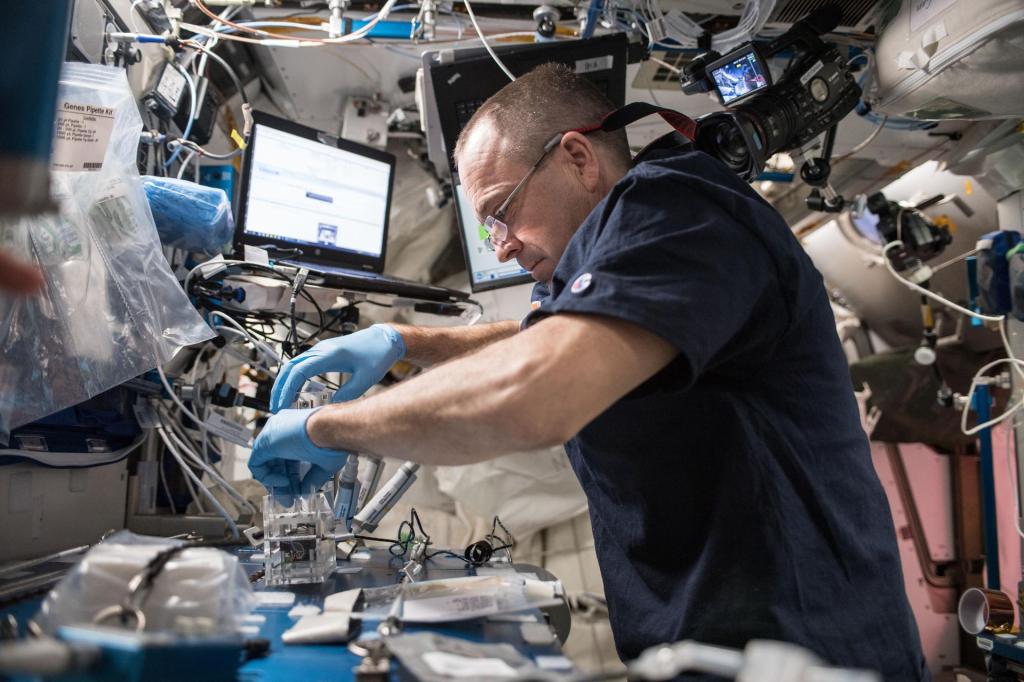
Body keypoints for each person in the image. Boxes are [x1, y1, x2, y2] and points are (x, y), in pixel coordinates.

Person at [249, 63, 928, 679]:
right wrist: (403, 341)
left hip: (809, 651)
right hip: (720, 649)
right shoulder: (599, 257)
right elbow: (537, 340)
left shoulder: (678, 211)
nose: (505, 247)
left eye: (501, 213)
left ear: (576, 157)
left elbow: (533, 392)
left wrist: (326, 427)